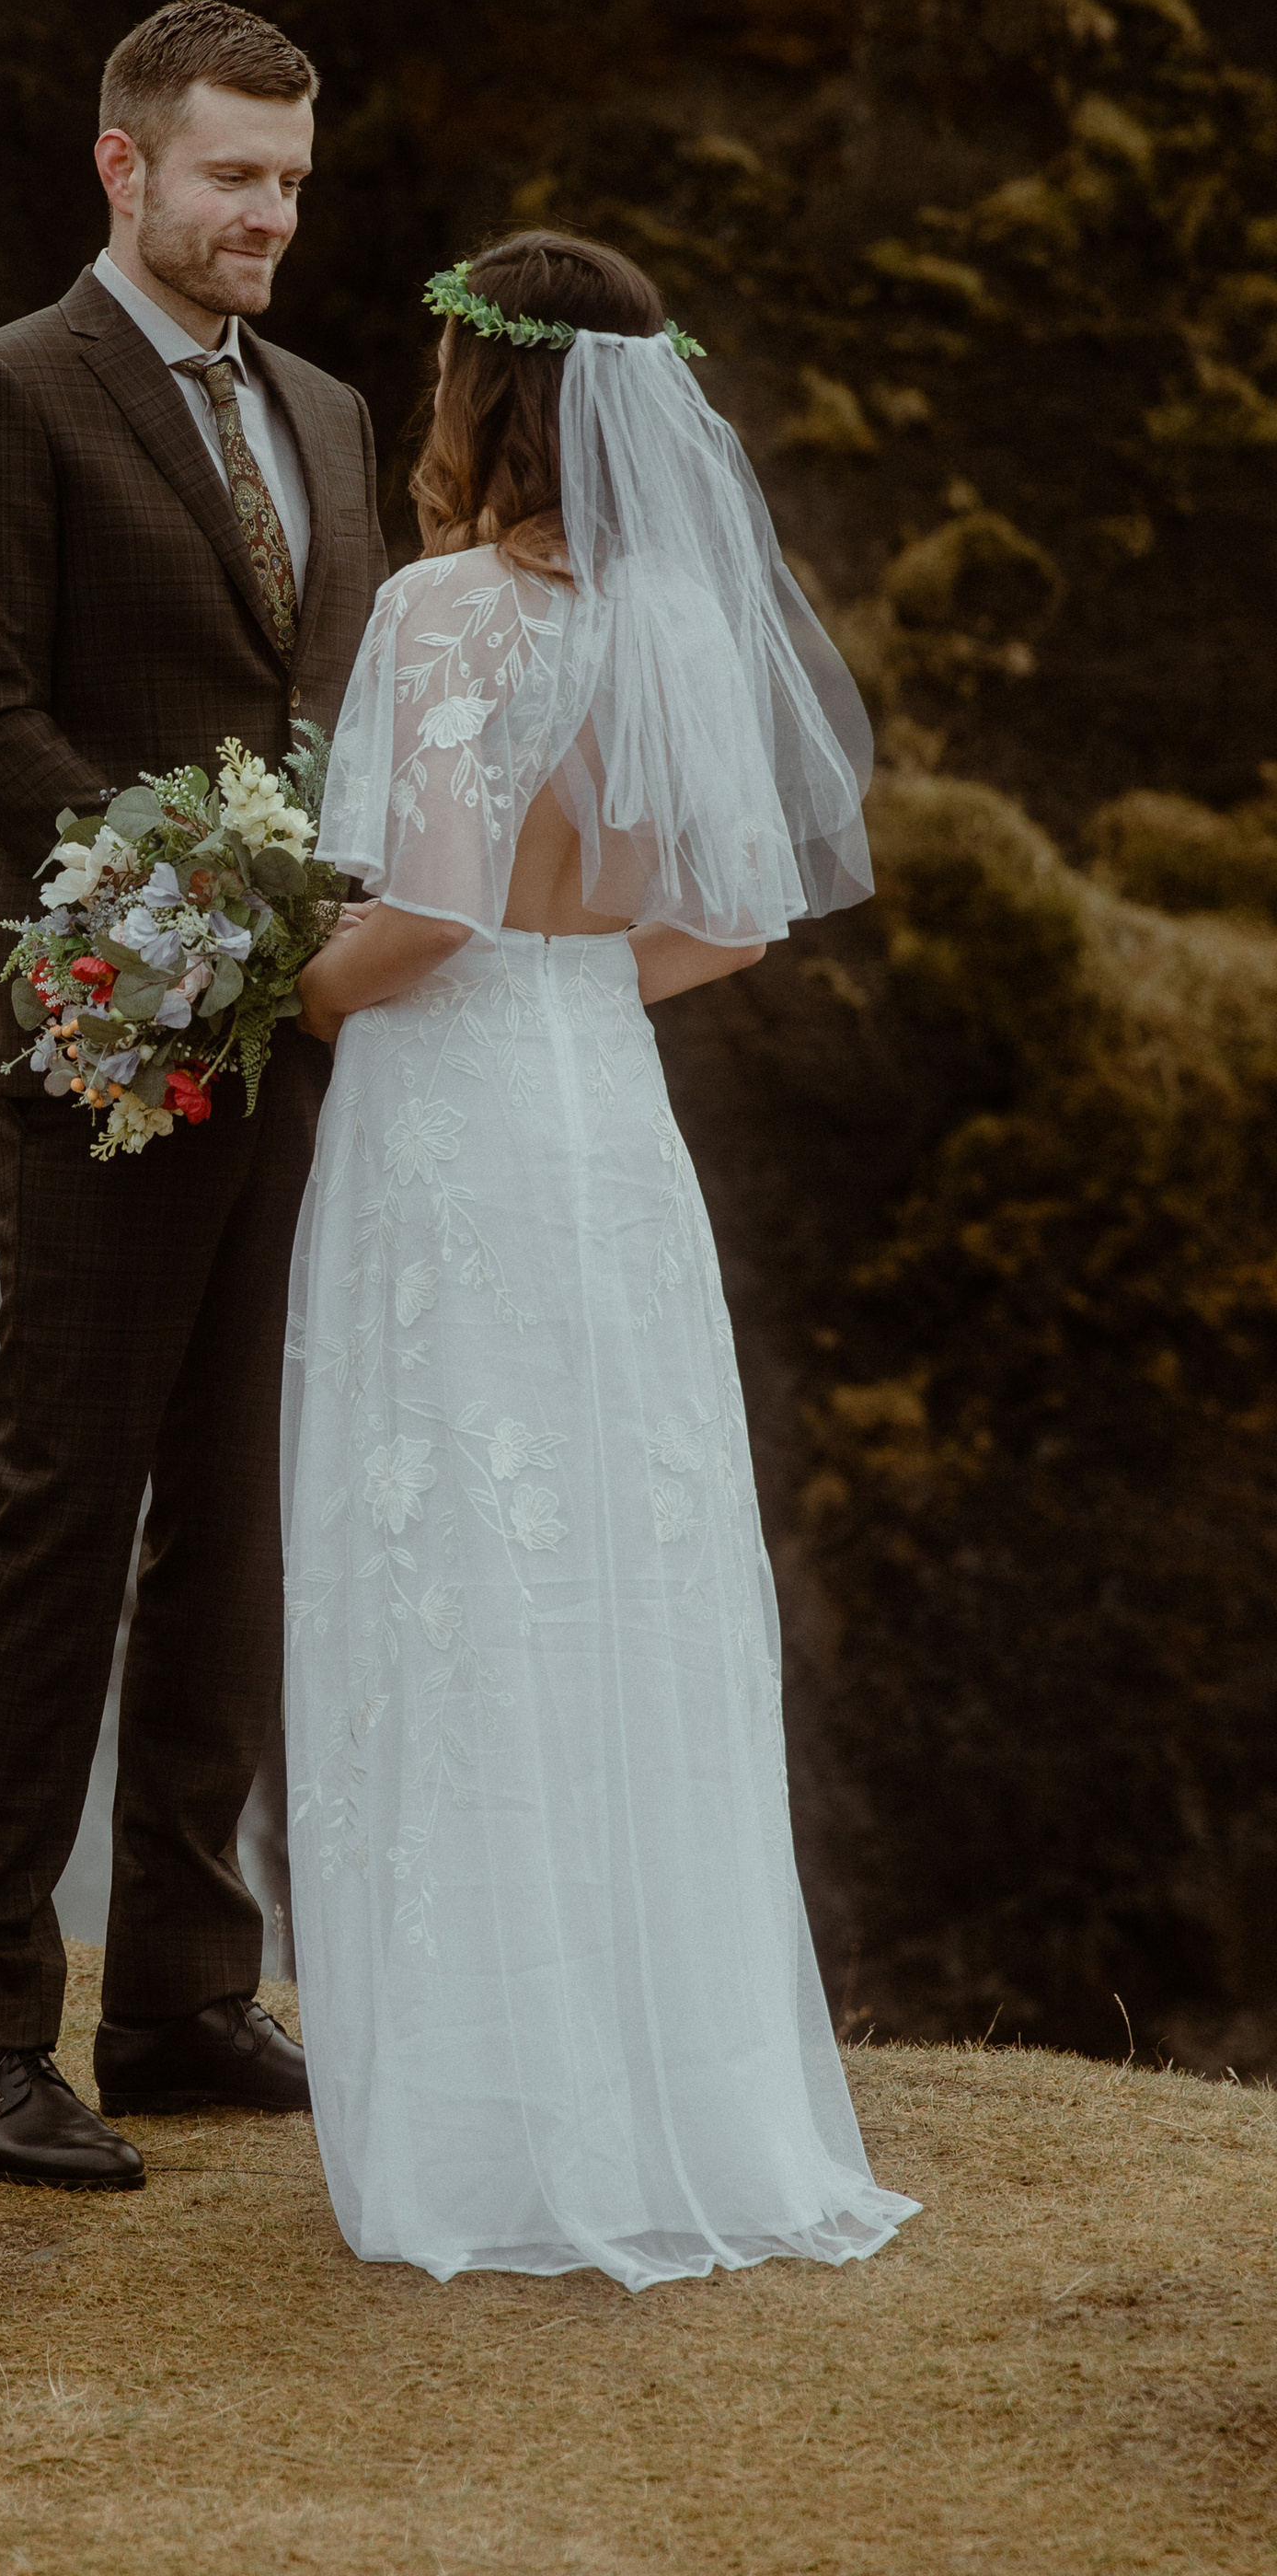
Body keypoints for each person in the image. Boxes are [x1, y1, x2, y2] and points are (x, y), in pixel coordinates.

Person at [283, 226, 919, 2289]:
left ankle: (486, 2122)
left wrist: (279, 992)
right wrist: (567, 1001)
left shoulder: (443, 611)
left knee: (455, 1564)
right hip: (601, 1112)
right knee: (616, 1570)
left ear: (489, 392)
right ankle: (666, 2095)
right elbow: (728, 923)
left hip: (449, 1125)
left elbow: (425, 916)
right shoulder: (677, 621)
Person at [0, 0, 388, 2189]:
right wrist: (187, 905)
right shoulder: (4, 391)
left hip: (308, 1044)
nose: (265, 216)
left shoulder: (330, 411)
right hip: (103, 1035)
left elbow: (333, 712)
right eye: (228, 178)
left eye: (287, 182)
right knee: (62, 1521)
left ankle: (183, 1993)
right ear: (123, 168)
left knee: (237, 1521)